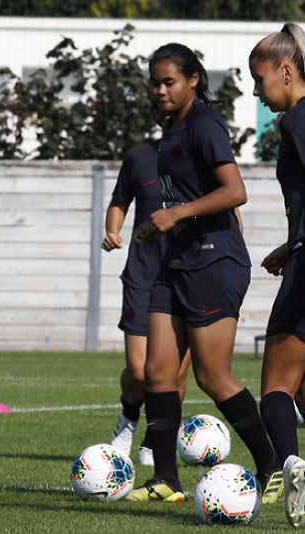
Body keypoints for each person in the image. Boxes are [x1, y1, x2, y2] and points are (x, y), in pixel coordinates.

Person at [125, 43, 281, 503]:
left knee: (212, 377)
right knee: (157, 370)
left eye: (168, 81)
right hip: (175, 261)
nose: (160, 90)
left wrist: (175, 216)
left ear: (193, 79)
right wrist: (165, 226)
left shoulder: (205, 123)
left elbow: (235, 191)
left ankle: (271, 465)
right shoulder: (171, 126)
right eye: (155, 82)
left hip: (215, 261)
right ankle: (166, 480)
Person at [102, 103, 190, 467]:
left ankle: (157, 439)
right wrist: (112, 230)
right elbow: (119, 202)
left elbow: (227, 204)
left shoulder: (199, 158)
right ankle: (129, 414)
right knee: (140, 370)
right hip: (143, 273)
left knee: (175, 372)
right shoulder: (139, 158)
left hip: (188, 272)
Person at [249, 22, 305, 527]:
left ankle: (290, 466)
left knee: (276, 389)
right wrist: (290, 247)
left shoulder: (298, 121)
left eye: (260, 80)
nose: (256, 92)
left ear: (287, 72)